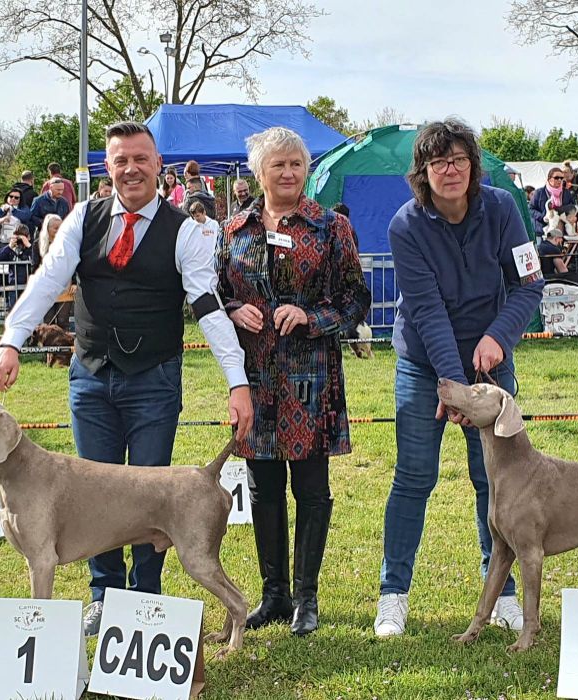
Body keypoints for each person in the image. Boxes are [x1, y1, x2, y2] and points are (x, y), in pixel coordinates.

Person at [0, 120, 253, 638]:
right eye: (120, 160)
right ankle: (103, 598)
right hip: (89, 375)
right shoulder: (83, 217)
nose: (131, 169)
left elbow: (209, 309)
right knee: (90, 494)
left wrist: (237, 382)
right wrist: (9, 342)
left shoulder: (186, 233)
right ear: (107, 169)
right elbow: (46, 283)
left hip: (153, 379)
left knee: (153, 496)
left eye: (140, 159)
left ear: (158, 166)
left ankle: (145, 604)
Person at [374, 118, 544, 637]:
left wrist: (498, 336)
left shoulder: (503, 208)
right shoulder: (406, 225)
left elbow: (529, 285)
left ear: (473, 166)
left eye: (460, 160)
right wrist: (454, 388)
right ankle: (392, 596)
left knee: (494, 480)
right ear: (423, 172)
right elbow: (426, 312)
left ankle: (505, 596)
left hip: (492, 362)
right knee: (414, 478)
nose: (450, 170)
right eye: (439, 162)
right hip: (427, 364)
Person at [218, 126, 370, 636]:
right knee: (262, 489)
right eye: (278, 165)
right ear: (258, 172)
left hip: (311, 380)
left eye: (297, 164)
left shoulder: (330, 227)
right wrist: (236, 310)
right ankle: (273, 595)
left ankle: (307, 597)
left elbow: (355, 302)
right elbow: (214, 296)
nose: (288, 173)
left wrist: (309, 317)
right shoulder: (233, 230)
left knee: (311, 487)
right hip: (255, 379)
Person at [0, 224, 33, 310]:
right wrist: (9, 246)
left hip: (29, 287)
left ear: (28, 237)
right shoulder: (10, 250)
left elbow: (37, 258)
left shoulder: (32, 249)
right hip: (13, 286)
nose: (20, 241)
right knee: (14, 312)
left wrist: (28, 246)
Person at [529, 167, 575, 239]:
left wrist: (572, 216)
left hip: (562, 232)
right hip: (543, 231)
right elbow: (530, 209)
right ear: (550, 179)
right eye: (556, 178)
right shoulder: (539, 192)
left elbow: (572, 207)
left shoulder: (566, 193)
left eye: (561, 178)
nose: (559, 180)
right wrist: (543, 217)